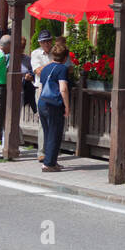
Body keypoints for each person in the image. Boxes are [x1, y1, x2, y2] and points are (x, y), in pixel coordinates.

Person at [37, 41, 71, 172]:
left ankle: (50, 160)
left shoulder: (45, 68)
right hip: (54, 104)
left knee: (47, 133)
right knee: (55, 133)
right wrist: (67, 106)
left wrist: (39, 104)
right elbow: (63, 89)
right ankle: (49, 164)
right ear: (65, 57)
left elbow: (40, 88)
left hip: (42, 102)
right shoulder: (62, 69)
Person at [29, 30, 53, 162]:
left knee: (54, 121)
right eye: (44, 42)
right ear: (40, 43)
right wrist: (54, 63)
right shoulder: (36, 53)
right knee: (42, 121)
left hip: (55, 89)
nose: (47, 44)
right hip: (41, 89)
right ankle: (41, 152)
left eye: (48, 41)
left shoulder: (57, 51)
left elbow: (68, 67)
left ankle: (52, 149)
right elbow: (38, 72)